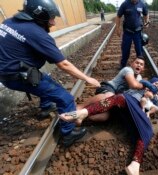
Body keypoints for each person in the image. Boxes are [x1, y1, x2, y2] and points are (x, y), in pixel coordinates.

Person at [0, 0, 100, 147]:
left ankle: (46, 107)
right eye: (51, 18)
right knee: (65, 98)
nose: (53, 23)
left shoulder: (9, 22)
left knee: (43, 79)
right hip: (18, 76)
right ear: (39, 15)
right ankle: (68, 134)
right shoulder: (37, 33)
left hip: (5, 74)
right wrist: (87, 78)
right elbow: (64, 64)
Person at [59, 80, 158, 175]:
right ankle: (84, 112)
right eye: (155, 82)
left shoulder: (156, 96)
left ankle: (135, 164)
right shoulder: (142, 85)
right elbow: (145, 85)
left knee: (147, 131)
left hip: (135, 115)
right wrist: (153, 90)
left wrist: (157, 95)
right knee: (119, 98)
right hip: (127, 105)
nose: (156, 85)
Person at [77, 56, 150, 122]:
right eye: (137, 63)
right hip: (108, 87)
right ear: (131, 64)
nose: (139, 65)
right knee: (110, 95)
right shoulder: (128, 70)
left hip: (114, 98)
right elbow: (133, 85)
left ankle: (83, 116)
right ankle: (80, 107)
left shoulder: (139, 77)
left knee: (104, 117)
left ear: (143, 68)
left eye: (141, 64)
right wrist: (144, 86)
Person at [115, 0, 150, 70]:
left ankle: (140, 65)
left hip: (138, 32)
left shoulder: (142, 4)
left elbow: (146, 14)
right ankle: (123, 64)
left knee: (139, 50)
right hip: (127, 32)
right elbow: (118, 16)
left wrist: (147, 22)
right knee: (125, 50)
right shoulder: (125, 4)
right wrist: (117, 28)